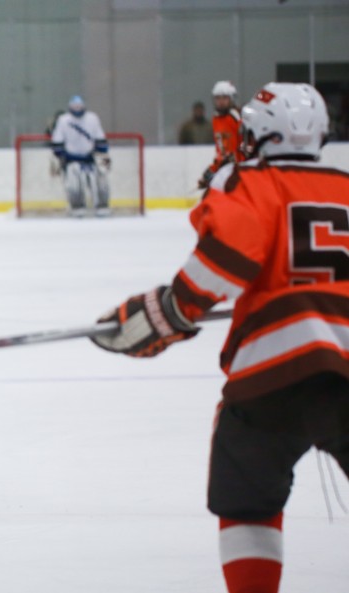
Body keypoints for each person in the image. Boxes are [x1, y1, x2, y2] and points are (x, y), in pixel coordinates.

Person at [90, 82, 346, 593]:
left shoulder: (251, 181)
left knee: (248, 502)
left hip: (274, 371)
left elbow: (231, 255)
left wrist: (167, 313)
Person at [50, 95, 111, 217]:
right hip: (71, 160)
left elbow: (100, 140)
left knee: (102, 180)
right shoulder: (63, 120)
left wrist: (101, 157)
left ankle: (102, 205)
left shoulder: (92, 118)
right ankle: (77, 206)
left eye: (79, 106)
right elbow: (57, 143)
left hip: (91, 158)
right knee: (74, 184)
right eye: (74, 106)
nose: (77, 109)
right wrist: (62, 158)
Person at [198, 80, 243, 189]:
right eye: (218, 98)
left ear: (231, 99)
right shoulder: (216, 120)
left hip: (240, 171)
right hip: (227, 169)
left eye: (224, 98)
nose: (221, 102)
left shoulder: (237, 118)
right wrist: (213, 169)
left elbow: (244, 147)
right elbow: (222, 151)